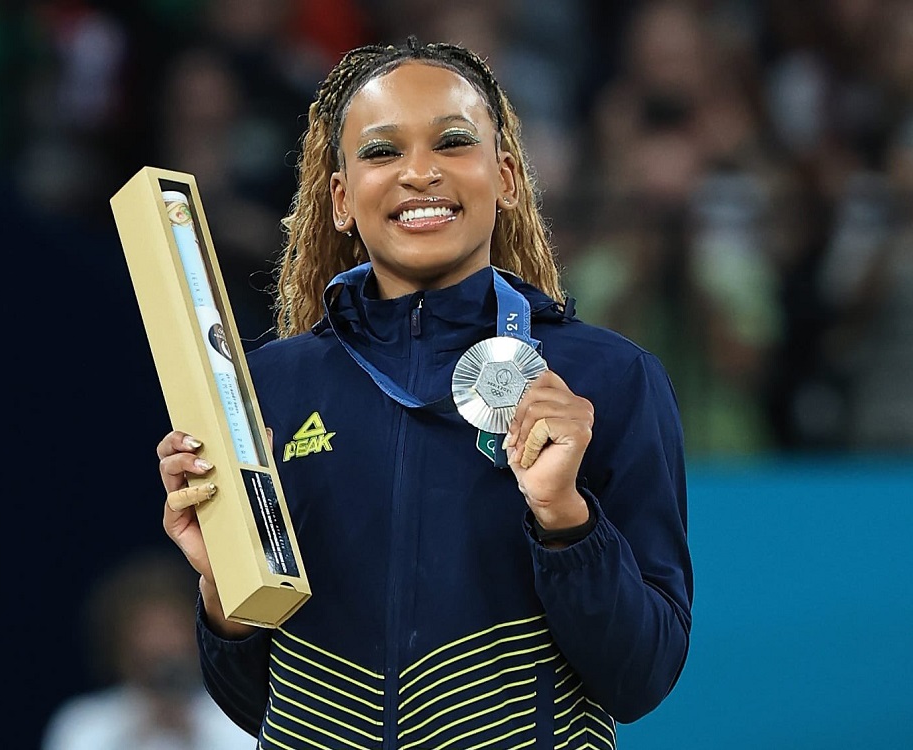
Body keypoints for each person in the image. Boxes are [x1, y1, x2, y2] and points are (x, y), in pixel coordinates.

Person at [158, 37, 692, 749]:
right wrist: (223, 588)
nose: (418, 173)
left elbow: (642, 676)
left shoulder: (605, 380)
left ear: (505, 177)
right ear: (342, 199)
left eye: (452, 142)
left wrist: (566, 518)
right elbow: (256, 705)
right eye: (381, 152)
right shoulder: (269, 389)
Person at [41, 551, 257, 750]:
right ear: (118, 645)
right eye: (147, 630)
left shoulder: (242, 722)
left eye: (172, 628)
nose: (162, 645)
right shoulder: (83, 726)